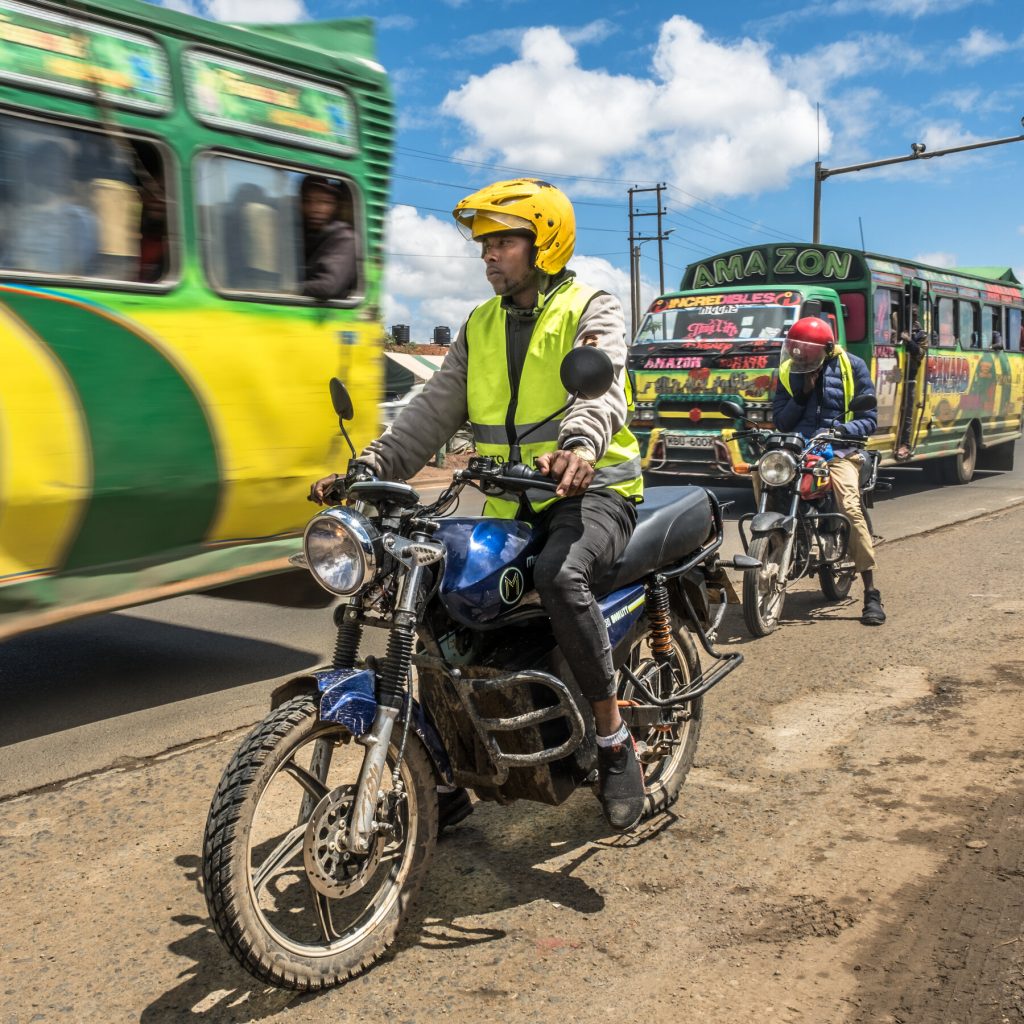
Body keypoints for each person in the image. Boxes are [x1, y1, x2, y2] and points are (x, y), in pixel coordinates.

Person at [310, 178, 647, 830]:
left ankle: (611, 738)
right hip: (511, 501)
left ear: (543, 244)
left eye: (502, 243)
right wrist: (369, 470)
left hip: (594, 489)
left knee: (559, 575)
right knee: (434, 587)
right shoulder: (481, 325)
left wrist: (578, 448)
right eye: (485, 245)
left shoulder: (591, 307)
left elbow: (600, 385)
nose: (488, 256)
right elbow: (432, 411)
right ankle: (446, 765)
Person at [772, 316, 886, 626]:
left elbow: (869, 419)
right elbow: (781, 421)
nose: (801, 358)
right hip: (798, 449)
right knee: (763, 476)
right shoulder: (786, 371)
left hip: (839, 450)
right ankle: (777, 543)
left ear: (826, 348)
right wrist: (802, 394)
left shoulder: (852, 367)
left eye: (807, 354)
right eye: (796, 352)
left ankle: (871, 593)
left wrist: (840, 430)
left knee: (849, 505)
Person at [300, 174, 356, 300]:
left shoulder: (344, 237)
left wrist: (287, 288)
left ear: (335, 206)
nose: (315, 209)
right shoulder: (303, 233)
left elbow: (328, 286)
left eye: (324, 202)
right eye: (308, 201)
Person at [895, 304, 927, 461]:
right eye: (911, 314)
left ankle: (905, 444)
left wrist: (909, 341)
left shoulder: (921, 332)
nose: (915, 318)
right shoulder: (895, 322)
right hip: (894, 374)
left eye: (916, 314)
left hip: (910, 375)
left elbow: (921, 353)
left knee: (907, 411)